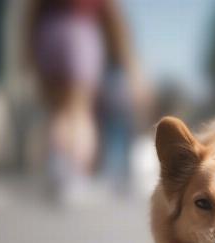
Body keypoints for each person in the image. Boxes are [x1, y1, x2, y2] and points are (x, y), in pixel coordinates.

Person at [24, 0, 147, 201]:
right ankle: (74, 175)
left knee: (58, 111)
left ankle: (58, 169)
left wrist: (29, 49)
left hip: (48, 33)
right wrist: (131, 65)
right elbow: (113, 15)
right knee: (80, 110)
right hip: (80, 29)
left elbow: (33, 10)